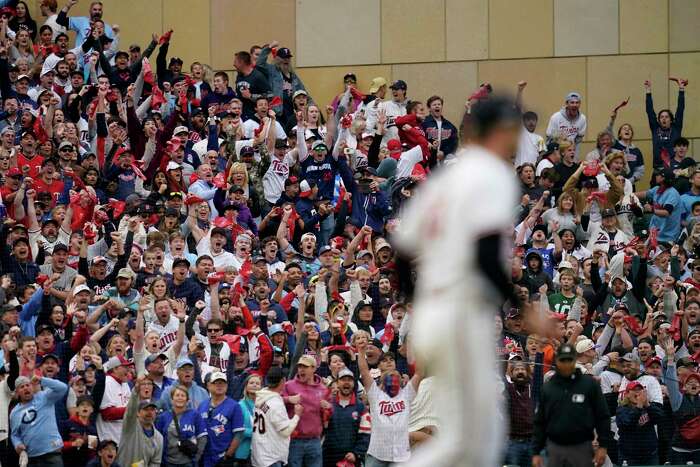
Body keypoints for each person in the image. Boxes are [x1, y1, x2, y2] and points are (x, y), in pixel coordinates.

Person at [396, 96, 526, 467]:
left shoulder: (446, 178)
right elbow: (486, 256)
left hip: (431, 317)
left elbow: (403, 255)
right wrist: (520, 306)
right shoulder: (490, 173)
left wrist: (418, 307)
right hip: (460, 313)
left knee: (466, 443)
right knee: (476, 440)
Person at [532, 344, 612, 467]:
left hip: (582, 447)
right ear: (557, 361)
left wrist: (603, 445)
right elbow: (540, 421)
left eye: (569, 360)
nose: (566, 364)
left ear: (574, 360)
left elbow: (602, 416)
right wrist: (536, 451)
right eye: (563, 360)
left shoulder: (589, 385)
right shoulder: (548, 388)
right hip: (555, 448)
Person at [358, 337, 421, 467]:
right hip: (378, 452)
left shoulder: (406, 394)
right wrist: (360, 351)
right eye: (389, 378)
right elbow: (364, 371)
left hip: (401, 454)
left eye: (396, 377)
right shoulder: (375, 395)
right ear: (382, 380)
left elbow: (419, 373)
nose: (393, 380)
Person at [10, 374, 68, 467]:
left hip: (52, 454)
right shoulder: (14, 413)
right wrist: (18, 444)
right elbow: (14, 434)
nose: (26, 388)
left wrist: (42, 380)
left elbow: (63, 388)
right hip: (32, 458)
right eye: (22, 387)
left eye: (28, 385)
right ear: (17, 392)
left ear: (32, 387)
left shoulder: (44, 397)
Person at [251, 367, 303, 467]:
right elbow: (285, 431)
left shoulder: (261, 397)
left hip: (259, 455)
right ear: (283, 380)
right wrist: (297, 415)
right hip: (271, 458)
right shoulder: (276, 403)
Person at [117, 378, 164, 467]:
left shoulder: (159, 438)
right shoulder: (130, 426)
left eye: (152, 410)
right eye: (146, 409)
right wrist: (135, 391)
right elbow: (130, 411)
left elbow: (155, 463)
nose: (149, 412)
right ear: (138, 413)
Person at [546, 92, 587, 157]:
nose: (575, 105)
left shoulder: (582, 118)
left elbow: (579, 138)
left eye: (577, 102)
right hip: (557, 153)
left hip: (571, 152)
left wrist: (575, 156)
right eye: (572, 102)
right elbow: (549, 139)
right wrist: (561, 140)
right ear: (566, 104)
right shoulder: (556, 117)